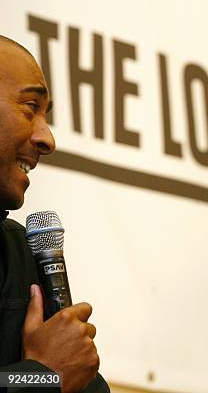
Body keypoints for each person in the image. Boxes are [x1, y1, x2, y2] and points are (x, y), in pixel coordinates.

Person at [0, 36, 109, 392]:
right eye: (31, 107)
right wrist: (41, 375)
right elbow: (47, 372)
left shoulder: (18, 251)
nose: (48, 139)